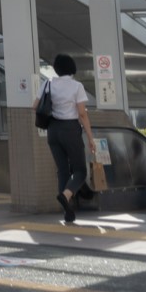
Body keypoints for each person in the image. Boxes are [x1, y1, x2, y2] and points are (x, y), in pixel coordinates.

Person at [35, 53, 95, 223]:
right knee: (80, 171)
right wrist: (90, 138)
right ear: (72, 67)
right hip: (70, 129)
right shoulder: (76, 86)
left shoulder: (47, 83)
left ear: (57, 68)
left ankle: (67, 212)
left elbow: (35, 105)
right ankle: (66, 195)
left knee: (62, 170)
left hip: (53, 130)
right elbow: (82, 114)